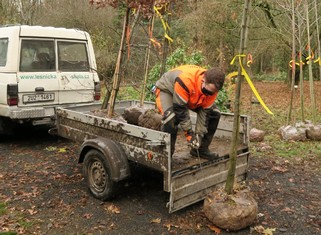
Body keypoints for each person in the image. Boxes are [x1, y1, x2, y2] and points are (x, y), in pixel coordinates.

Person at [155, 65, 225, 160]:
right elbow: (180, 110)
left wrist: (198, 137)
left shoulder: (213, 89)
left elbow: (205, 114)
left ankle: (200, 150)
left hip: (191, 95)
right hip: (168, 90)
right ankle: (166, 156)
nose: (208, 95)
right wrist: (189, 135)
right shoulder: (185, 80)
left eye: (211, 93)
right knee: (171, 118)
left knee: (214, 113)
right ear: (203, 80)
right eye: (206, 91)